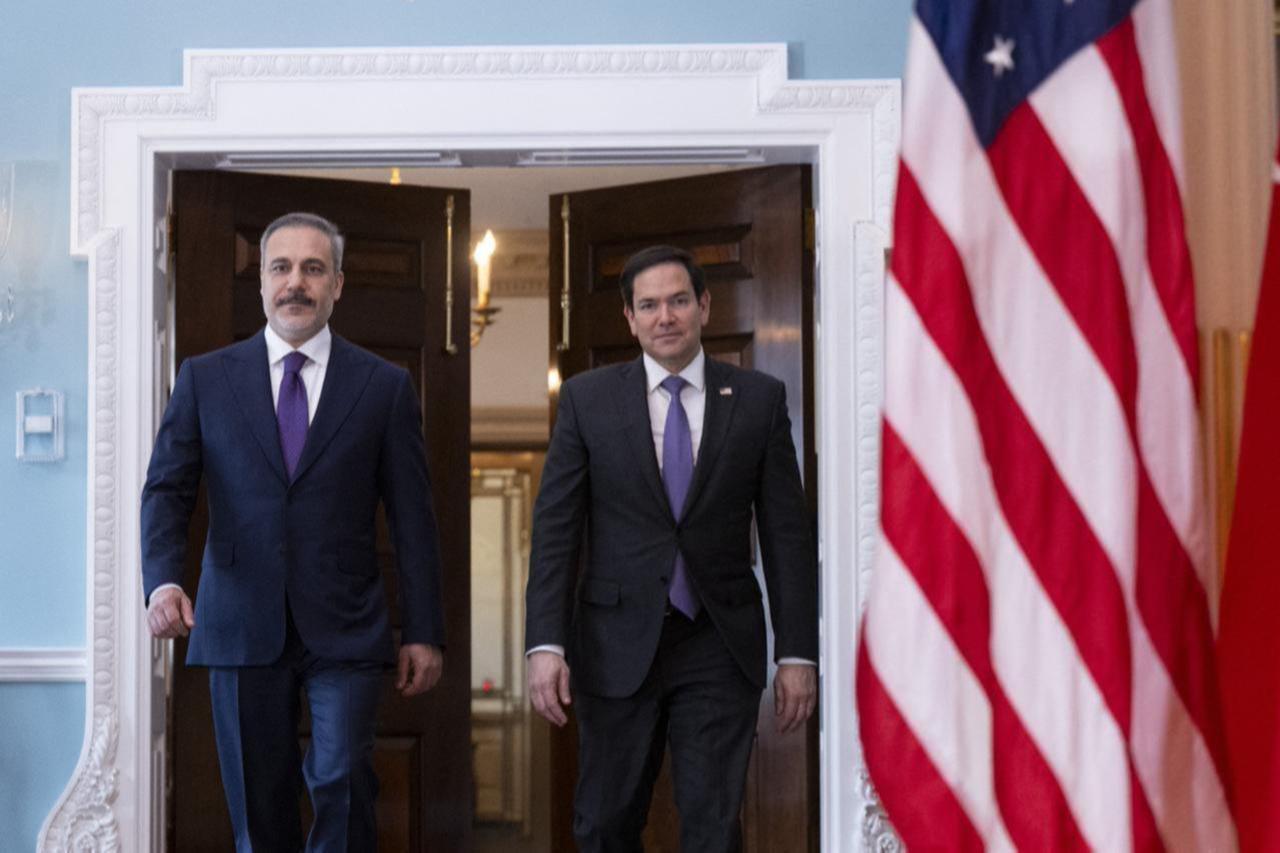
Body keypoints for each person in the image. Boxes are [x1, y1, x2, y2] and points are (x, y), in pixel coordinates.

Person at [141, 211, 446, 852]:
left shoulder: (384, 387)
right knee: (260, 803)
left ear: (338, 283)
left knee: (340, 778)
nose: (295, 283)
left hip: (345, 625)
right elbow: (167, 488)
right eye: (281, 267)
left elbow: (414, 519)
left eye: (313, 268)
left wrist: (423, 630)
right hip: (239, 621)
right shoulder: (205, 377)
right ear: (261, 283)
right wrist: (163, 580)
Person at [525, 245, 818, 852]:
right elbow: (557, 528)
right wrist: (545, 643)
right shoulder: (587, 400)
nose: (666, 317)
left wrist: (797, 653)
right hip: (614, 644)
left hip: (717, 638)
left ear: (704, 306)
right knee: (605, 823)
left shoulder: (758, 400)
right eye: (650, 305)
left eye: (679, 300)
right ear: (630, 318)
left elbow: (787, 533)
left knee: (712, 826)